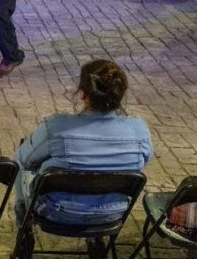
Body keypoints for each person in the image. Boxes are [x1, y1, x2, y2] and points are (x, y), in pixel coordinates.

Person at [14, 60, 152, 229]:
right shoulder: (139, 130)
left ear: (83, 94)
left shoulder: (56, 126)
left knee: (21, 161)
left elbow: (24, 159)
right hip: (112, 213)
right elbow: (145, 160)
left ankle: (23, 221)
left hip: (56, 212)